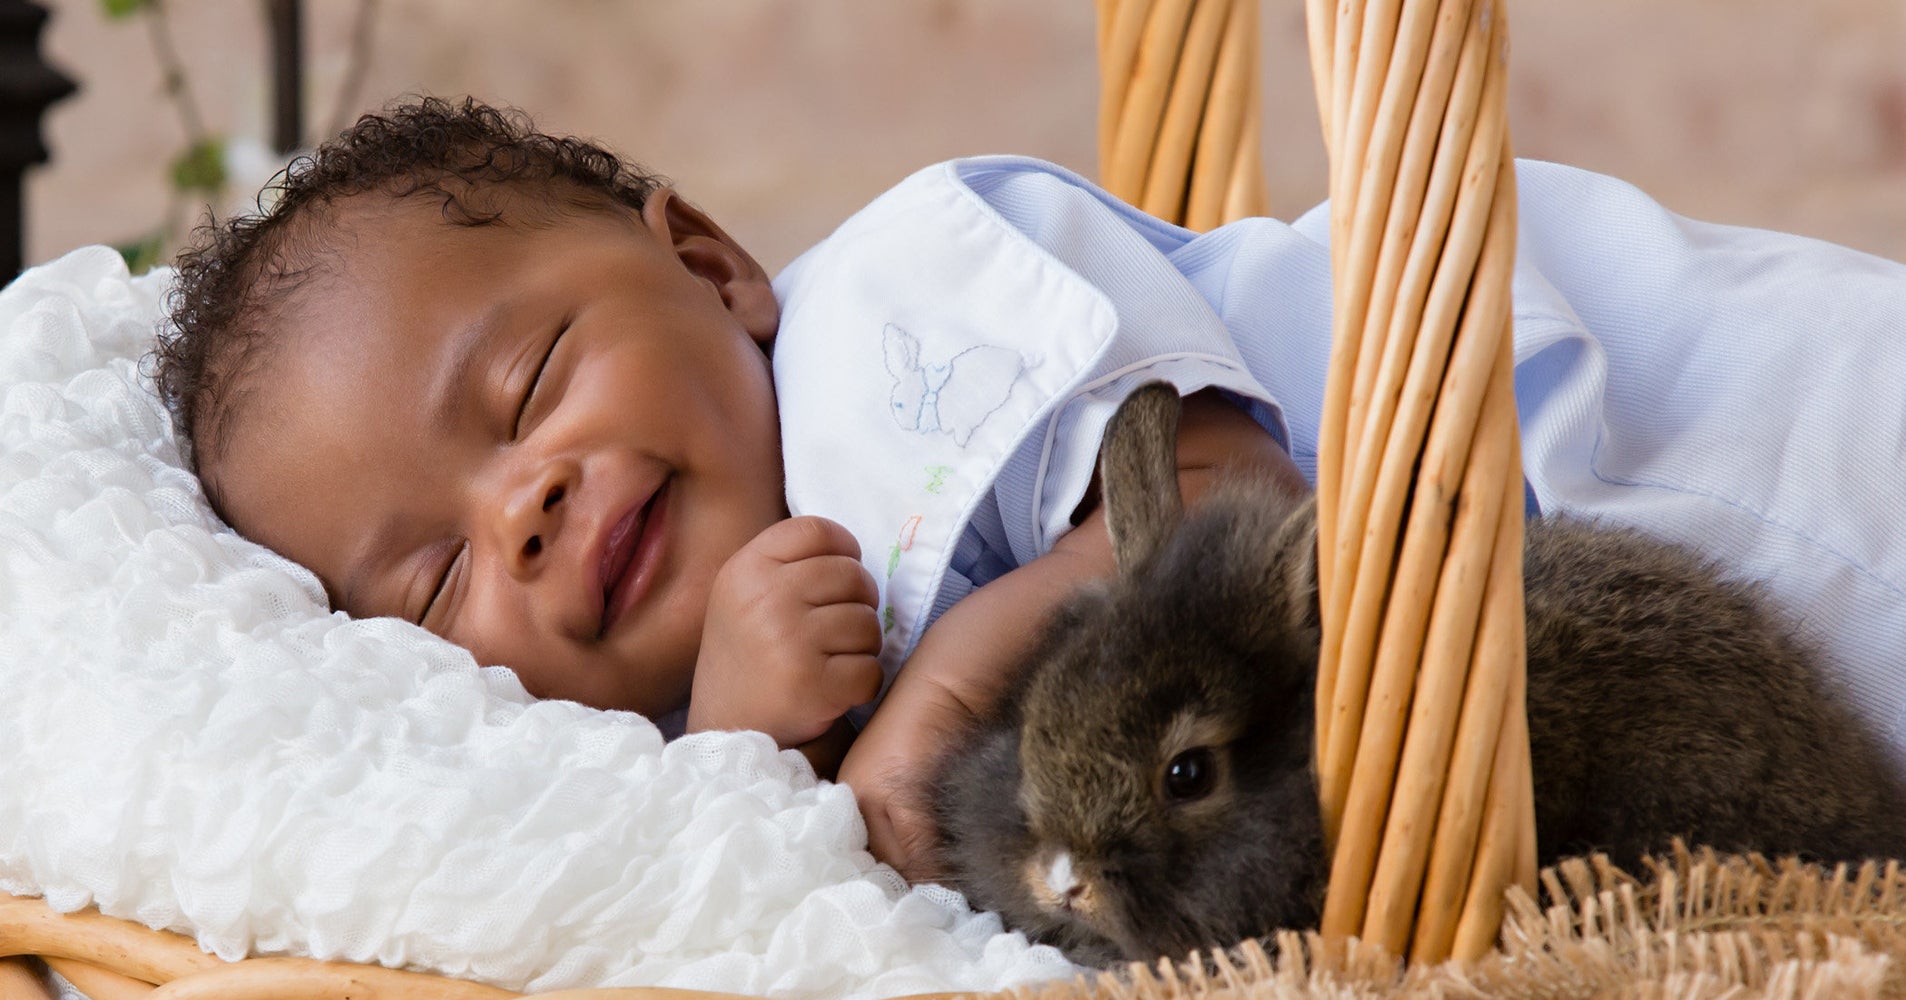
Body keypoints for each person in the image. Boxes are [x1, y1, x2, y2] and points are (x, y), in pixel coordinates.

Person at [153, 97, 1906, 881]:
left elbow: (1226, 502)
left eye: (527, 385)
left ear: (707, 264)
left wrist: (924, 702)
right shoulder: (680, 759)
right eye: (435, 580)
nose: (518, 508)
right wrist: (746, 748)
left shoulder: (900, 306)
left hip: (1715, 442)